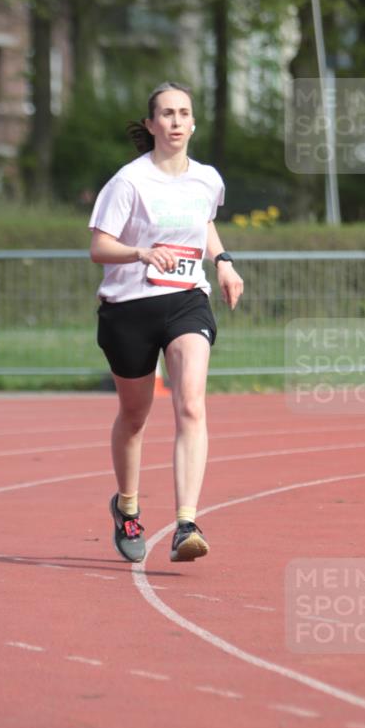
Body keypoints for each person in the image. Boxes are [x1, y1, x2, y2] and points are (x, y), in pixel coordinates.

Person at [89, 81, 243, 564]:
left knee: (191, 406)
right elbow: (98, 246)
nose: (176, 122)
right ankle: (128, 507)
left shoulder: (207, 179)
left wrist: (223, 262)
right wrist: (139, 252)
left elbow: (204, 224)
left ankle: (186, 523)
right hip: (128, 307)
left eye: (184, 113)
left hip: (185, 301)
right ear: (152, 124)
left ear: (193, 123)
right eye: (167, 114)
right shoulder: (128, 182)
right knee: (134, 417)